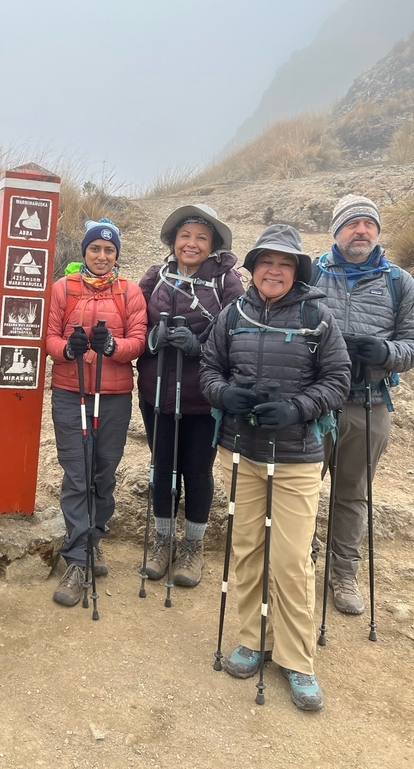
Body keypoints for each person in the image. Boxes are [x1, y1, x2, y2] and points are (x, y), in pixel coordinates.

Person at [200, 224, 350, 711]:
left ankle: (297, 658)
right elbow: (209, 369)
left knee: (289, 559)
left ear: (297, 271)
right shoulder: (232, 314)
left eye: (285, 264)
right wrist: (227, 395)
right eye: (266, 261)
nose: (274, 270)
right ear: (253, 267)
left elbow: (338, 379)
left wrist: (298, 408)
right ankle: (252, 639)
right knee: (246, 548)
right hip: (241, 450)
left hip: (297, 457)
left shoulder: (317, 316)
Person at [312, 194, 414, 614]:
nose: (361, 230)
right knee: (298, 486)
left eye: (369, 224)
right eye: (353, 223)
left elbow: (411, 344)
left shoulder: (399, 282)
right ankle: (301, 557)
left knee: (352, 493)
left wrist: (385, 353)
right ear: (336, 229)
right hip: (315, 400)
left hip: (369, 401)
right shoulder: (311, 274)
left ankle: (344, 572)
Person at [137, 204, 243, 585]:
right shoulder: (155, 276)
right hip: (157, 392)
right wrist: (154, 339)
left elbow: (237, 331)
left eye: (201, 237)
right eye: (185, 236)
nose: (192, 244)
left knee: (197, 471)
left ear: (212, 243)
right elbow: (133, 323)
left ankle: (192, 547)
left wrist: (201, 346)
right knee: (161, 466)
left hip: (203, 397)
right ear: (173, 241)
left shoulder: (228, 282)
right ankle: (163, 540)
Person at [46, 219, 147, 606]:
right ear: (84, 252)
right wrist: (69, 349)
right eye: (95, 249)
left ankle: (94, 535)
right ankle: (78, 558)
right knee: (77, 471)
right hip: (72, 392)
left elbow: (138, 340)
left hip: (114, 395)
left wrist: (112, 347)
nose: (101, 256)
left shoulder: (130, 292)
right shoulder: (63, 288)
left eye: (109, 250)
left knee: (104, 471)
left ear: (116, 254)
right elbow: (50, 336)